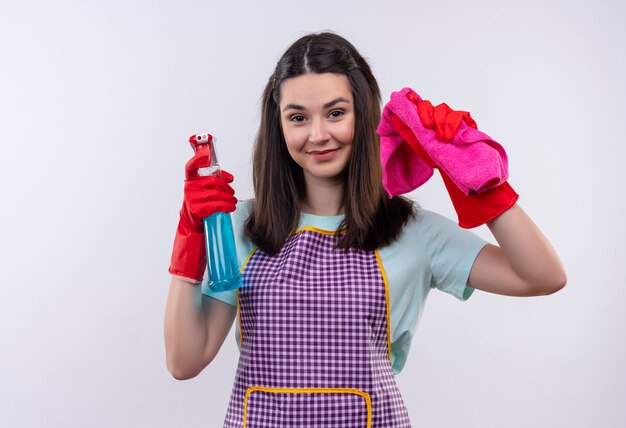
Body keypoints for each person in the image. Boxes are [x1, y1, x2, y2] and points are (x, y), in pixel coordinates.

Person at [164, 31, 566, 427]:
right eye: (298, 118)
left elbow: (542, 277)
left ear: (364, 112)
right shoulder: (241, 227)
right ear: (279, 126)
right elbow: (185, 360)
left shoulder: (414, 232)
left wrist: (480, 180)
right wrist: (191, 240)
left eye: (336, 113)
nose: (318, 134)